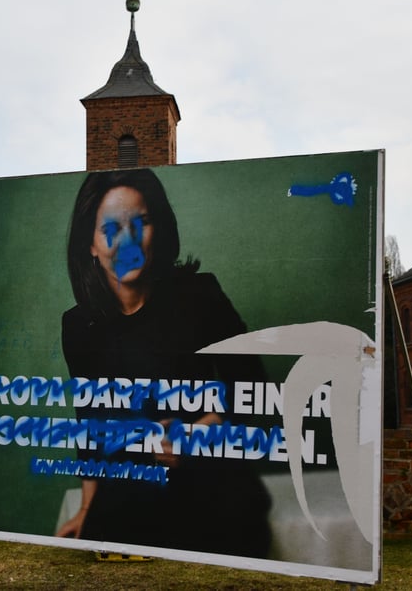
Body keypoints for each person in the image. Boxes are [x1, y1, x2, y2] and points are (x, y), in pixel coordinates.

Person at [55, 168, 271, 558]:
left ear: (160, 229)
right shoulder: (78, 325)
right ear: (89, 244)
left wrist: (194, 436)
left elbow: (254, 388)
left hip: (208, 475)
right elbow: (89, 425)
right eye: (111, 229)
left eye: (142, 223)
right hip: (131, 480)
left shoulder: (200, 295)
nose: (128, 242)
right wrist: (87, 508)